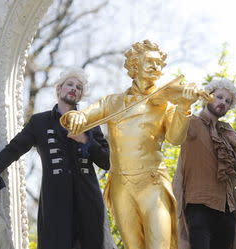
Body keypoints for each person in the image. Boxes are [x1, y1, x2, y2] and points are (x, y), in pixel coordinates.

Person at [60, 40, 210, 249]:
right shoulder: (111, 102)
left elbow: (176, 138)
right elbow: (83, 116)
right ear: (134, 65)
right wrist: (75, 117)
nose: (155, 67)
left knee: (160, 243)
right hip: (122, 186)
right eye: (149, 61)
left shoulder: (164, 103)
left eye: (159, 64)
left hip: (152, 182)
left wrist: (183, 106)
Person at [0, 68, 113, 249]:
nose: (74, 89)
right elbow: (16, 147)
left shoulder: (91, 123)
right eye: (70, 84)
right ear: (59, 89)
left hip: (89, 200)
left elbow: (107, 162)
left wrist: (85, 140)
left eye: (79, 87)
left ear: (80, 96)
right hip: (55, 201)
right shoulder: (40, 122)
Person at [172, 77, 236, 249]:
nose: (223, 103)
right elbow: (174, 134)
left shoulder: (228, 133)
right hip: (199, 204)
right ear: (207, 97)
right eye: (219, 97)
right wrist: (185, 102)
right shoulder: (192, 123)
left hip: (227, 210)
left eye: (228, 101)